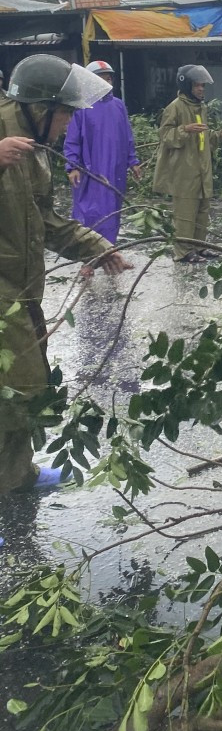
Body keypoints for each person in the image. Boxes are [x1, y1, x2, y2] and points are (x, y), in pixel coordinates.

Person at [0, 54, 132, 494]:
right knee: (14, 389)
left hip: (20, 285)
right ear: (40, 108)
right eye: (65, 114)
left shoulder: (34, 151)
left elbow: (46, 219)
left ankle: (16, 476)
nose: (68, 124)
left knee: (21, 389)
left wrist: (97, 248)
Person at [152, 64, 222, 263]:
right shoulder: (175, 107)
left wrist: (221, 136)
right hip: (183, 170)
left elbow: (204, 136)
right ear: (187, 85)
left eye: (203, 86)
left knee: (202, 212)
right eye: (197, 86)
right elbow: (165, 136)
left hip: (202, 168)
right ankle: (182, 252)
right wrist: (185, 129)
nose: (201, 89)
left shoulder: (201, 107)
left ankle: (200, 247)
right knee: (184, 214)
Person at [64, 59, 141, 244]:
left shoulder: (118, 105)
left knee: (113, 211)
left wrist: (133, 162)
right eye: (102, 78)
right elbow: (72, 140)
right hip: (90, 171)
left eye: (109, 78)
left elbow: (127, 136)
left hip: (116, 170)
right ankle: (88, 257)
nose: (107, 82)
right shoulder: (81, 107)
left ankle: (109, 251)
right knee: (89, 212)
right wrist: (72, 167)